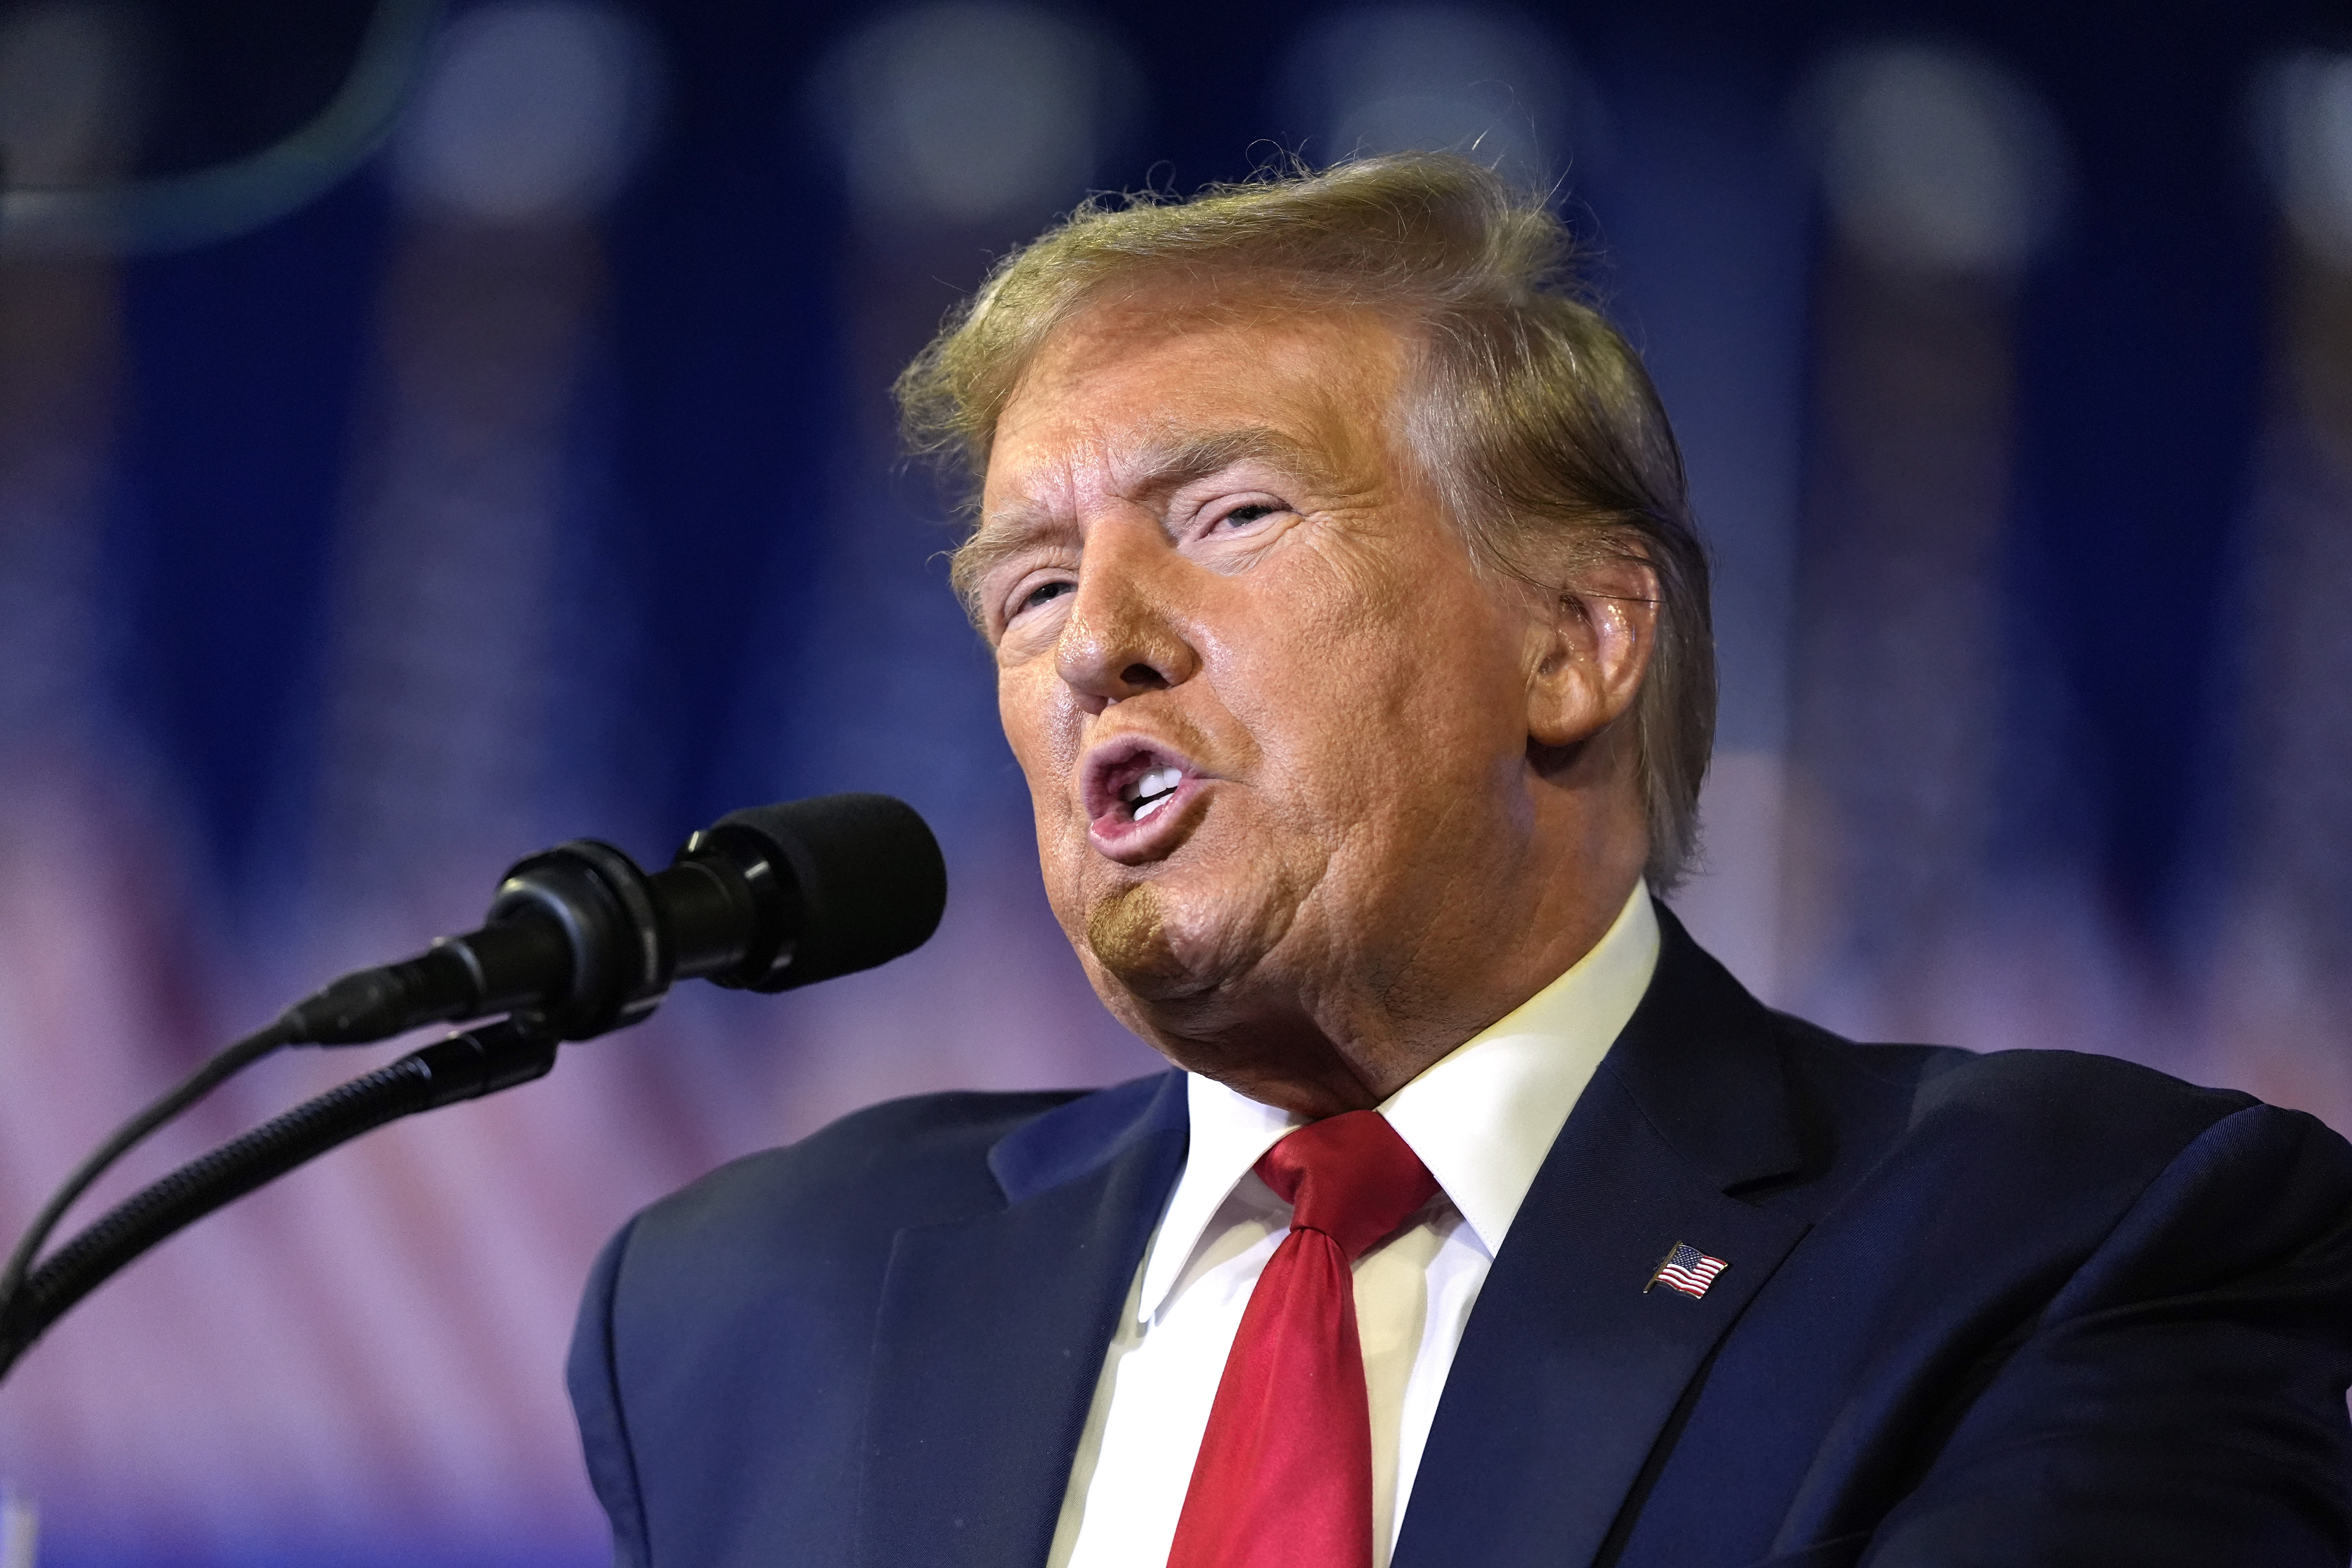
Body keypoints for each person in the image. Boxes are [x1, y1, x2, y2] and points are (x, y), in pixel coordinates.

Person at [564, 154, 2352, 1568]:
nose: (1098, 637)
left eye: (1233, 517)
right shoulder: (749, 1303)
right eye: (1030, 586)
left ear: (1575, 638)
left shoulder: (2060, 1241)